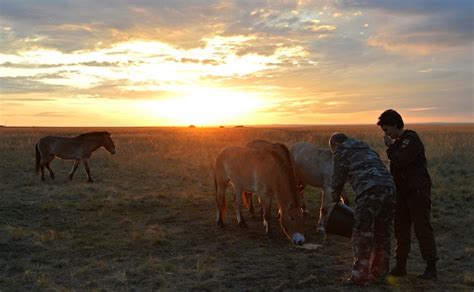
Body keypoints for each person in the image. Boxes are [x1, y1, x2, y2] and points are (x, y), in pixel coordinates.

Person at [377, 109, 438, 279]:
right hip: (402, 193)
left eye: (387, 129)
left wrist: (389, 148)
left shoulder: (411, 139)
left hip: (417, 192)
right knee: (401, 229)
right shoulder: (400, 142)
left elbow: (401, 160)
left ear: (396, 125)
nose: (386, 134)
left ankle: (431, 267)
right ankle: (400, 266)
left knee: (422, 229)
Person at [329, 132, 395, 287]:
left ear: (335, 146)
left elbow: (337, 179)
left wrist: (334, 201)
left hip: (369, 191)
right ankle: (379, 274)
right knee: (383, 233)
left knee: (362, 234)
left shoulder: (341, 151)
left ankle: (359, 277)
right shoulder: (366, 147)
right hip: (390, 189)